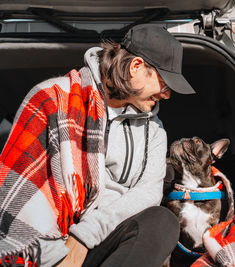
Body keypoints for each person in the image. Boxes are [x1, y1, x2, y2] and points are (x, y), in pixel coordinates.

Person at [0, 24, 195, 267]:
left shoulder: (154, 131)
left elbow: (148, 193)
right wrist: (58, 257)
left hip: (102, 242)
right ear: (136, 67)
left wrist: (84, 237)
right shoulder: (50, 98)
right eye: (164, 84)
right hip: (45, 248)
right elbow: (20, 194)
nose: (166, 95)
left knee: (163, 221)